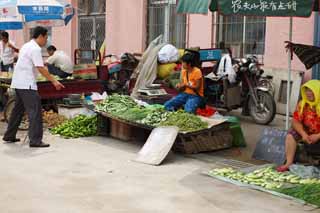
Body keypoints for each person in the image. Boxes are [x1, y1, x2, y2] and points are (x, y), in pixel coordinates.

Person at [2, 26, 65, 148]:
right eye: (46, 38)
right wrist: (54, 81)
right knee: (35, 111)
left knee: (17, 110)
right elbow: (40, 68)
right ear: (40, 36)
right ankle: (35, 140)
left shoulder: (26, 45)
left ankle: (9, 135)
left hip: (18, 82)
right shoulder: (35, 48)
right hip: (27, 84)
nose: (46, 41)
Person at [277, 80, 320, 172]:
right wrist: (303, 134)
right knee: (291, 135)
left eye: (311, 90)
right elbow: (295, 121)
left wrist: (317, 136)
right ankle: (288, 163)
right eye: (306, 90)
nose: (308, 93)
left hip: (318, 135)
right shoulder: (303, 104)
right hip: (307, 134)